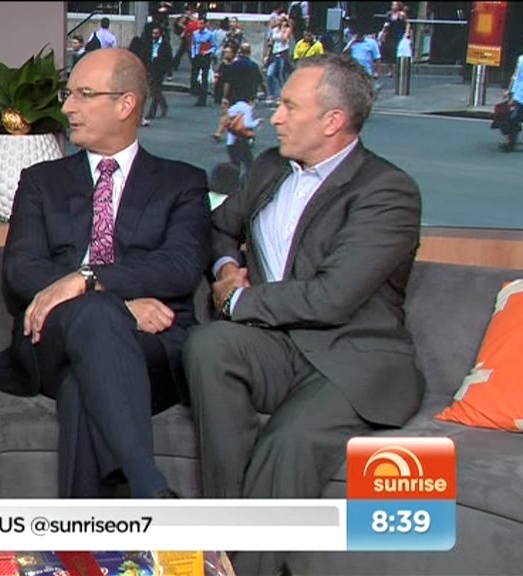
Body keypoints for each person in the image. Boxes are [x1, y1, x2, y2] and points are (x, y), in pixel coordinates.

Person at [183, 53, 423, 576]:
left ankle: (238, 566)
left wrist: (237, 301)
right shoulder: (269, 167)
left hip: (350, 358)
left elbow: (332, 297)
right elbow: (219, 228)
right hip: (275, 346)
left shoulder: (387, 191)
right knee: (207, 344)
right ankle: (227, 537)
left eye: (290, 107)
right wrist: (227, 269)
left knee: (288, 441)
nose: (275, 118)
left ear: (332, 121)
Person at [2, 48, 211, 499]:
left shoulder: (183, 183)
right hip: (52, 337)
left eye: (84, 94)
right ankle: (148, 487)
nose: (67, 107)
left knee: (82, 388)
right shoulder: (41, 181)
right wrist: (117, 304)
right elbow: (22, 268)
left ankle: (91, 538)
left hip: (151, 346)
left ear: (125, 104)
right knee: (97, 316)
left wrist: (87, 278)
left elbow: (180, 266)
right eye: (69, 94)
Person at [503, 38, 523, 152]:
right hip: (521, 93)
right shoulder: (521, 59)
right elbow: (516, 76)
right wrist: (510, 90)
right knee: (514, 118)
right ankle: (510, 142)